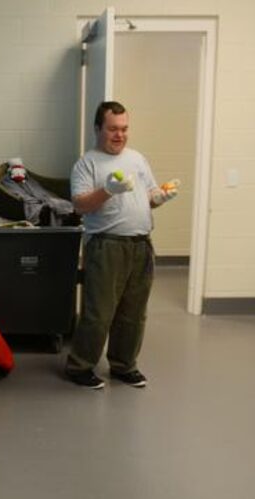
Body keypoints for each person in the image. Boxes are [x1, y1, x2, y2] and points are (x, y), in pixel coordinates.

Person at [64, 101, 178, 390]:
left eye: (124, 129)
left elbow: (149, 196)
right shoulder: (87, 163)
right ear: (97, 129)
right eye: (113, 129)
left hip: (141, 246)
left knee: (133, 312)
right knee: (99, 313)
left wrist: (160, 196)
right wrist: (108, 190)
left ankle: (123, 365)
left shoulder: (137, 159)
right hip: (106, 246)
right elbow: (79, 205)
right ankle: (80, 367)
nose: (120, 135)